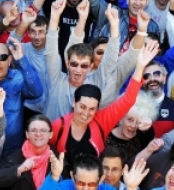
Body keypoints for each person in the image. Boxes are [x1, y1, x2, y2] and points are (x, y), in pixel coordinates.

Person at [49, 42, 158, 173]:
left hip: (93, 186)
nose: (86, 113)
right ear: (74, 103)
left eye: (92, 109)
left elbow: (128, 100)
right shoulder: (58, 125)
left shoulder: (101, 121)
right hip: (64, 185)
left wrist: (140, 67)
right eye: (82, 107)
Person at [43, 0, 121, 120]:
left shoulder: (95, 81)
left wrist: (115, 25)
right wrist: (54, 17)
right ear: (67, 63)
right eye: (74, 64)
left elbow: (110, 60)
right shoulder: (56, 79)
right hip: (52, 136)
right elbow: (50, 51)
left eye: (84, 65)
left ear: (91, 66)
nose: (78, 70)